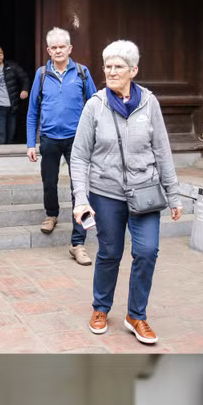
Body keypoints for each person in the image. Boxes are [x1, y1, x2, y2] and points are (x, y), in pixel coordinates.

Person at [71, 40, 183, 346]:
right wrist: (81, 198)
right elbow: (79, 156)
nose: (111, 71)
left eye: (118, 66)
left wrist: (174, 195)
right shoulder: (95, 105)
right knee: (109, 253)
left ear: (133, 70)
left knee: (147, 252)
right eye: (107, 66)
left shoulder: (150, 104)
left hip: (145, 191)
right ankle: (100, 308)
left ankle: (136, 315)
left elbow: (162, 151)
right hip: (105, 193)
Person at [26, 27, 97, 266]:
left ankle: (78, 243)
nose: (58, 51)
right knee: (49, 181)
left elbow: (95, 106)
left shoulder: (82, 72)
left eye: (61, 47)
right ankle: (52, 214)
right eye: (53, 47)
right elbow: (33, 110)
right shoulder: (42, 74)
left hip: (77, 140)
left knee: (80, 187)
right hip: (49, 138)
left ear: (69, 49)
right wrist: (30, 143)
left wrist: (95, 138)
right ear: (48, 50)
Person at [0, 46, 30, 145]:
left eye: (0, 53)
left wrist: (25, 89)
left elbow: (24, 77)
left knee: (11, 134)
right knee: (0, 134)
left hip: (12, 105)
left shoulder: (12, 66)